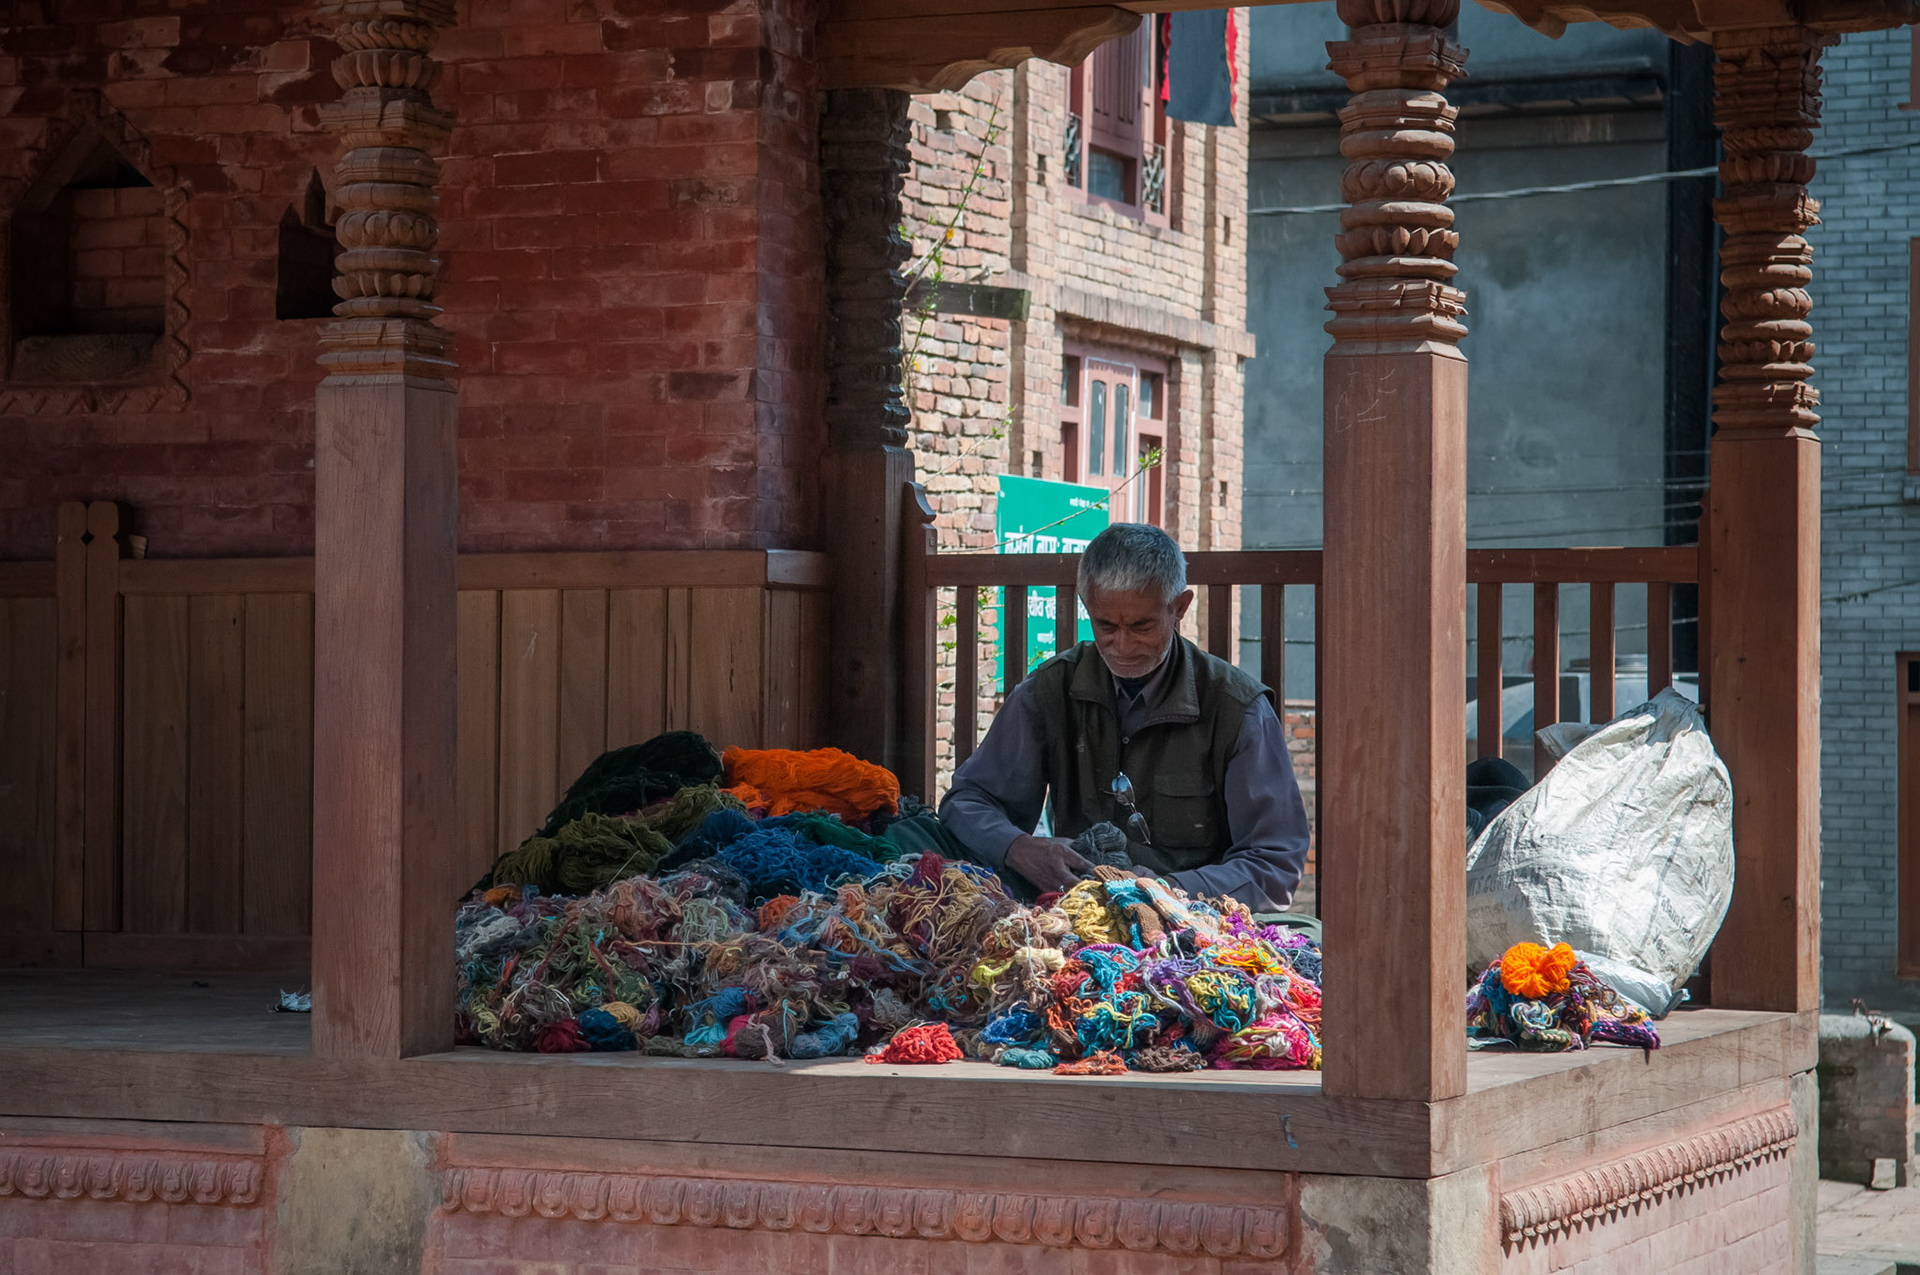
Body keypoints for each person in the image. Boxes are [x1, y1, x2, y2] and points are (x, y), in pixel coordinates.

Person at [940, 522, 1311, 911]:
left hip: (1193, 918)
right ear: (1088, 609)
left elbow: (1275, 861)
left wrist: (1171, 890)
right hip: (1075, 909)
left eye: (1141, 626)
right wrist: (1019, 848)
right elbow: (967, 800)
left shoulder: (1237, 708)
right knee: (916, 839)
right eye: (1105, 626)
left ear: (1178, 608)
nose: (1122, 645)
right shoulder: (1050, 690)